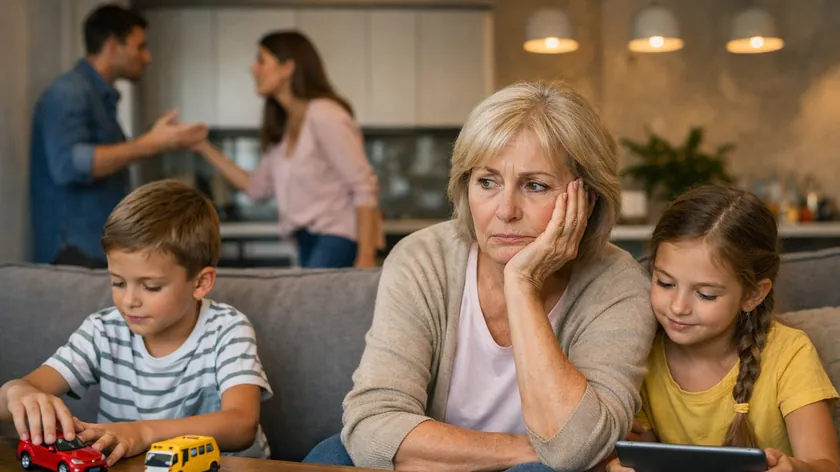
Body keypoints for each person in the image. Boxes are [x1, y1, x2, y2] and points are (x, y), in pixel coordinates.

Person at [302, 81, 659, 471]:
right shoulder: (423, 258)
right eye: (487, 182)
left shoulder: (618, 284)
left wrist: (522, 284)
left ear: (586, 200)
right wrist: (528, 448)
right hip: (449, 465)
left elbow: (576, 451)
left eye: (535, 185)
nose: (505, 210)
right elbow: (371, 427)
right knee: (331, 454)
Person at [0, 180, 273, 466]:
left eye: (151, 286)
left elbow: (241, 425)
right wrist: (20, 392)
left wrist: (143, 431)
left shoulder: (227, 328)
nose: (129, 300)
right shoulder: (104, 331)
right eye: (117, 282)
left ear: (200, 282)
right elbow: (13, 398)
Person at [608, 186, 840, 472]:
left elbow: (827, 465)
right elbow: (648, 457)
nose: (678, 306)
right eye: (665, 283)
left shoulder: (790, 354)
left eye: (705, 294)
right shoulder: (640, 354)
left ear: (752, 295)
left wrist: (796, 468)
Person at [30, 3, 209, 269]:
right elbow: (67, 165)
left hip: (92, 250)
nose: (147, 57)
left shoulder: (97, 98)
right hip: (75, 254)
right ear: (113, 45)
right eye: (140, 47)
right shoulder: (69, 92)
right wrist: (150, 144)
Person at [191, 30, 381, 269]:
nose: (253, 68)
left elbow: (364, 185)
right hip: (305, 239)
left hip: (337, 237)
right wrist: (203, 146)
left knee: (310, 305)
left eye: (261, 60)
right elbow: (256, 188)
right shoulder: (284, 127)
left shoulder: (325, 115)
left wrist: (365, 256)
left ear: (287, 68)